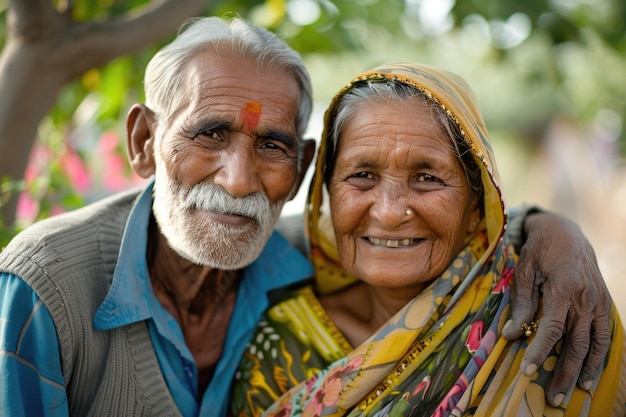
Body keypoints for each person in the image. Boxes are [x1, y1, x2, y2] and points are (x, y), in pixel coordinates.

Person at [0, 16, 613, 417]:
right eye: (209, 135)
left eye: (272, 145)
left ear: (301, 168)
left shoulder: (299, 256)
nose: (239, 181)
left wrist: (555, 231)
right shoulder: (41, 289)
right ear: (142, 143)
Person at [231, 62, 625, 416]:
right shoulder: (281, 340)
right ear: (327, 192)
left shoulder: (557, 310)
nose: (387, 212)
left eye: (427, 178)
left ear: (478, 203)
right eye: (362, 176)